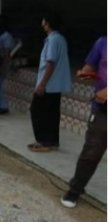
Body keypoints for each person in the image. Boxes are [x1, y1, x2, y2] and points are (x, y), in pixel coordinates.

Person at [61, 36, 107, 208]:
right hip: (103, 111)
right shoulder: (103, 42)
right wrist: (85, 74)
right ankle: (75, 189)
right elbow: (89, 68)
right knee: (91, 153)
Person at [29, 13, 72, 152]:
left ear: (47, 23)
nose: (42, 23)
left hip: (49, 84)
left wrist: (42, 84)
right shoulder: (60, 39)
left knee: (37, 111)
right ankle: (52, 141)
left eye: (43, 20)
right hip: (55, 85)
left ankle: (43, 141)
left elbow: (50, 63)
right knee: (52, 113)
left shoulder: (53, 40)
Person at [0, 15, 15, 115]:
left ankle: (2, 106)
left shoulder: (7, 36)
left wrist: (4, 68)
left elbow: (7, 54)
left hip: (2, 64)